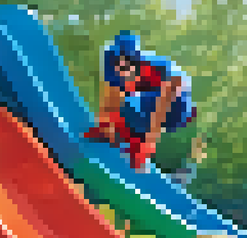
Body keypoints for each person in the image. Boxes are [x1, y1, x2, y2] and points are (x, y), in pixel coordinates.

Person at [83, 31, 196, 171]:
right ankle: (122, 134)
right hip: (149, 96)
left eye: (126, 65)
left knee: (130, 106)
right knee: (122, 104)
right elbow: (110, 95)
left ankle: (138, 144)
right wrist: (106, 126)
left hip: (177, 108)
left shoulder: (160, 70)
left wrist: (149, 142)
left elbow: (162, 107)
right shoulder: (111, 63)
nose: (120, 68)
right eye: (118, 64)